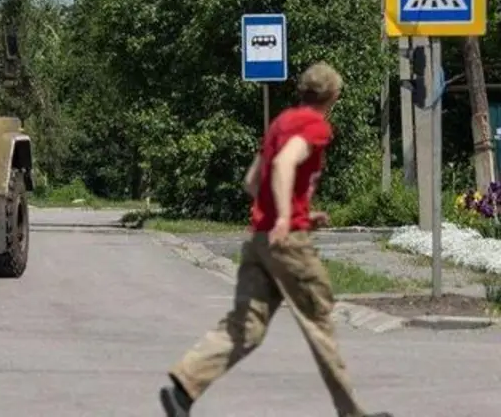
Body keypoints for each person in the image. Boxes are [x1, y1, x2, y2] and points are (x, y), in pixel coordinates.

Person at [158, 62, 390, 417]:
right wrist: (287, 218)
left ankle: (184, 387)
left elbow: (253, 181)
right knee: (319, 321)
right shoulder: (315, 125)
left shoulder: (279, 123)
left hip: (260, 239)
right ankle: (352, 414)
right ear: (333, 96)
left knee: (246, 326)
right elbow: (283, 164)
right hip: (287, 245)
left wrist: (292, 212)